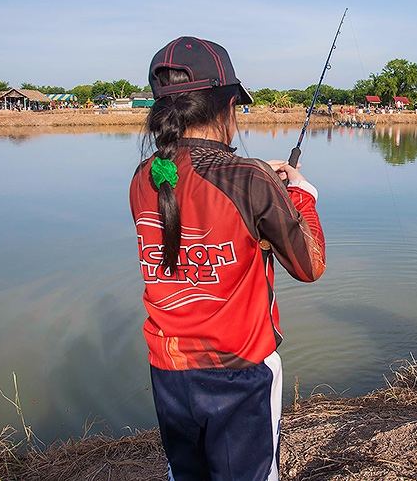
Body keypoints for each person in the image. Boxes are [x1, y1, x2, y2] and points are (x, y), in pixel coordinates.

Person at [129, 36, 326, 480]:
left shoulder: (145, 177)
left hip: (169, 369)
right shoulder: (249, 177)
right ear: (225, 104)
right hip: (240, 373)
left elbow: (198, 210)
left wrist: (264, 188)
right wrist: (300, 194)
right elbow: (310, 266)